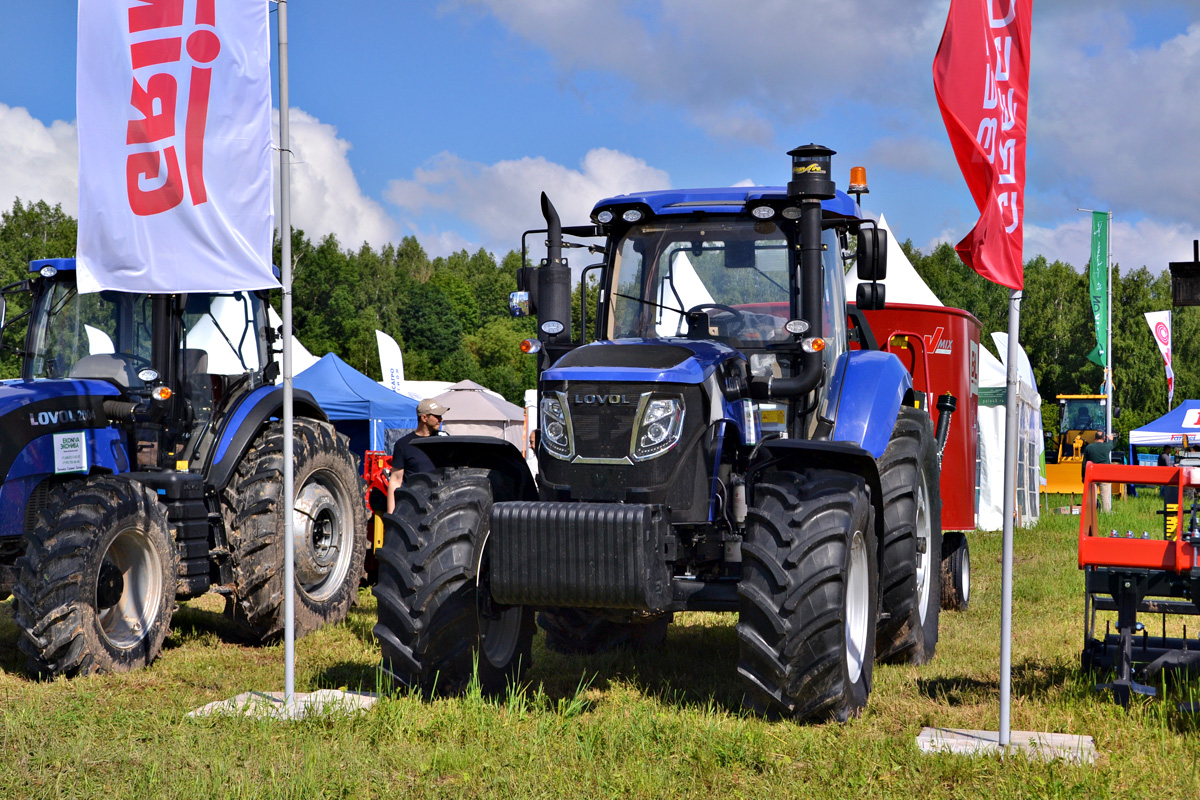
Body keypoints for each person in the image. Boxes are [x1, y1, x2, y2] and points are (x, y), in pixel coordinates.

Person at [386, 398, 449, 513]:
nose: (441, 419)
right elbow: (395, 480)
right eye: (437, 416)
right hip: (413, 506)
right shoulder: (403, 445)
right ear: (424, 418)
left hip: (440, 504)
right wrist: (391, 515)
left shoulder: (445, 441)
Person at [1081, 430, 1118, 511]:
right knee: (1105, 497)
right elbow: (1112, 445)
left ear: (1095, 438)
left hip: (1092, 476)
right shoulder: (1106, 447)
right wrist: (1111, 439)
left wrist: (1083, 476)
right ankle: (1106, 513)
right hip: (1105, 475)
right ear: (1104, 438)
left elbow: (1084, 464)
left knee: (1092, 497)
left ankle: (1091, 515)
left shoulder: (1088, 448)